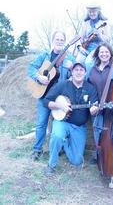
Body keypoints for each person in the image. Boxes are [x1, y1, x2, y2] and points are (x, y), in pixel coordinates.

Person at [42, 62, 99, 176]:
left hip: (79, 127)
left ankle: (64, 143)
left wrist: (94, 109)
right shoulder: (62, 85)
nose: (78, 72)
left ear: (85, 72)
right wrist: (59, 106)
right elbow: (46, 101)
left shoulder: (90, 88)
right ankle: (51, 165)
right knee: (57, 136)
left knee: (77, 161)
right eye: (76, 70)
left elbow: (94, 105)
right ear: (71, 72)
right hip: (62, 122)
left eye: (81, 70)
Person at [28, 30, 75, 161]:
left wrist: (72, 69)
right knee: (41, 124)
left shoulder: (69, 58)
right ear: (53, 40)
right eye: (57, 39)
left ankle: (57, 148)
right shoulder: (45, 55)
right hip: (43, 95)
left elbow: (78, 75)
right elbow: (31, 68)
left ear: (65, 42)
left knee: (58, 125)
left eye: (62, 40)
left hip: (58, 99)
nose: (59, 41)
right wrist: (38, 77)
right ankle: (37, 149)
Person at [88, 42, 113, 163]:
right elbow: (89, 87)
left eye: (106, 52)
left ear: (110, 53)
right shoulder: (92, 70)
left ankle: (111, 155)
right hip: (97, 105)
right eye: (101, 52)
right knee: (97, 130)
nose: (104, 54)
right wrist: (93, 103)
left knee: (111, 131)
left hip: (111, 105)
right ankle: (98, 155)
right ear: (97, 54)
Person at [76, 3, 111, 76]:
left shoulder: (104, 24)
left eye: (94, 11)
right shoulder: (85, 24)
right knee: (78, 61)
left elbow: (108, 39)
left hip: (97, 48)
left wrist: (99, 35)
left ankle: (88, 81)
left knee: (88, 62)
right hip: (86, 48)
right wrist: (79, 47)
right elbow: (79, 37)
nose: (92, 13)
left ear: (98, 12)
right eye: (90, 12)